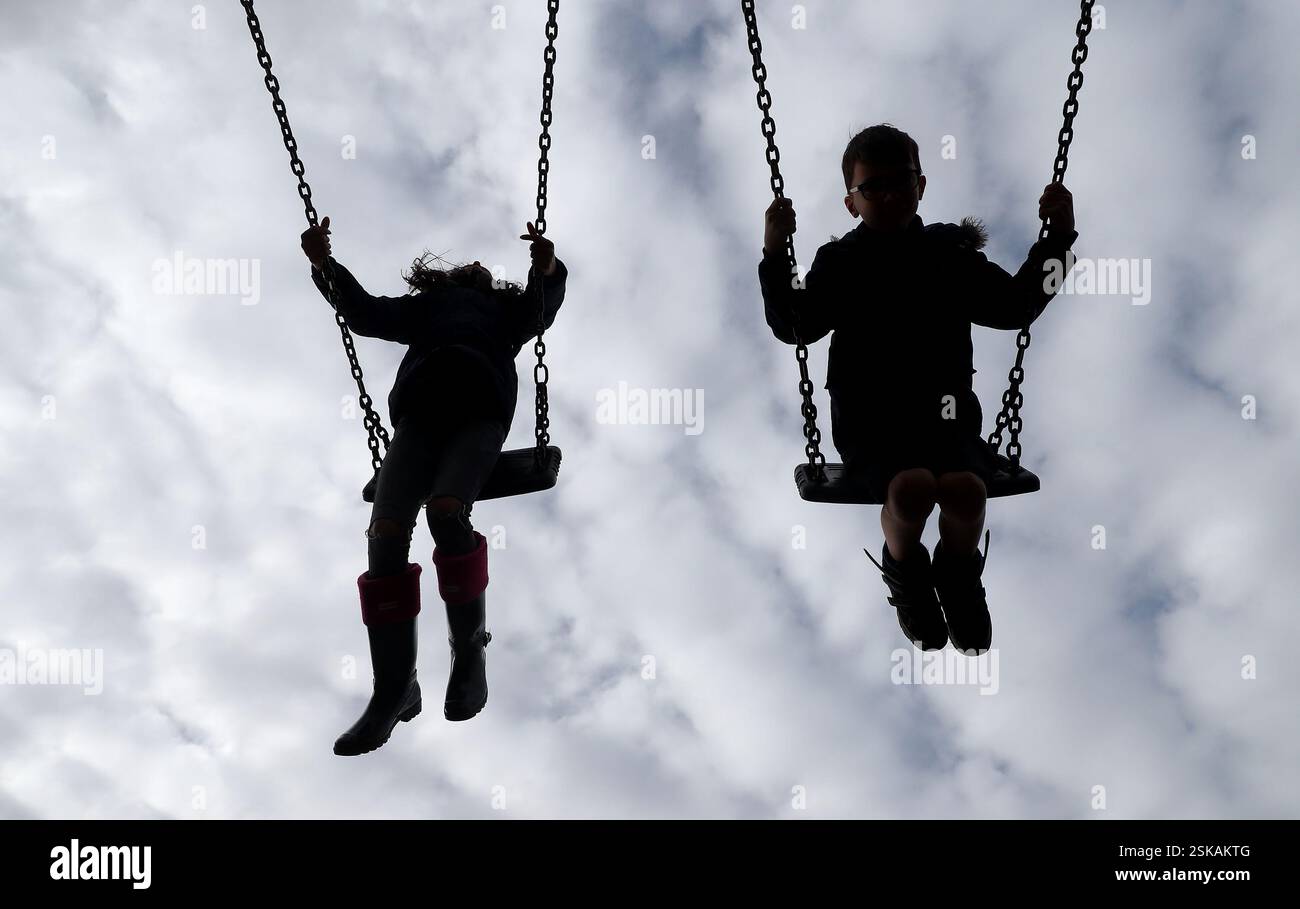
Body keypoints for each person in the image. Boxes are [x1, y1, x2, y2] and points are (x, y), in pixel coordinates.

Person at [758, 123, 1076, 654]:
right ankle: (907, 576)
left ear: (920, 186)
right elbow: (795, 324)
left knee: (967, 491)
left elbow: (1016, 305)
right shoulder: (841, 263)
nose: (887, 195)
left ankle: (957, 576)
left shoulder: (947, 254)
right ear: (850, 202)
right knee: (908, 490)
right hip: (869, 419)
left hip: (945, 415)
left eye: (900, 182)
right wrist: (775, 252)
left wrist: (1059, 239)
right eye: (872, 187)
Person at [301, 216, 567, 754]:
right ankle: (394, 688)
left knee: (446, 511)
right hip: (420, 417)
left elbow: (542, 309)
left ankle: (469, 652)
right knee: (385, 532)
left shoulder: (508, 313)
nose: (473, 266)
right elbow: (365, 312)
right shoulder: (424, 310)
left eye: (481, 269)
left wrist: (545, 268)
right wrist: (324, 265)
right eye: (465, 267)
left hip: (480, 412)